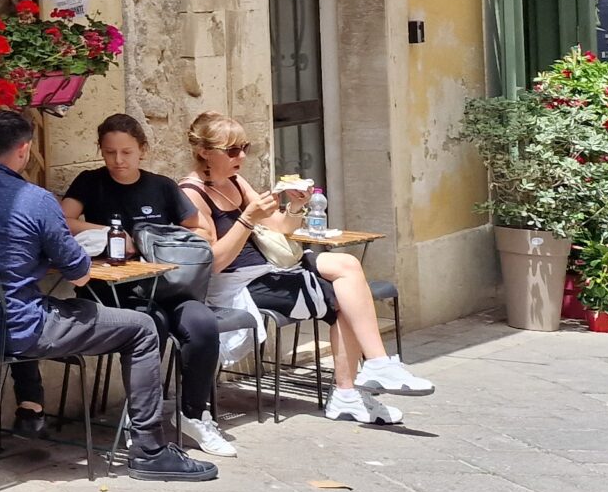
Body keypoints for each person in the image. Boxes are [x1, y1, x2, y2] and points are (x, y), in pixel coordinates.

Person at [0, 110, 217, 482]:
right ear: (25, 149)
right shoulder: (36, 201)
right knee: (143, 327)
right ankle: (149, 450)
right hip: (20, 331)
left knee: (28, 301)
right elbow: (79, 273)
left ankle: (31, 409)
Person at [177, 111, 435, 424]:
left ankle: (370, 372)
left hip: (272, 270)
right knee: (344, 298)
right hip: (238, 285)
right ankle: (352, 388)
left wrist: (296, 205)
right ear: (205, 152)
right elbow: (213, 262)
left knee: (348, 266)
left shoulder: (235, 181)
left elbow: (281, 226)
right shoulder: (191, 193)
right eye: (232, 151)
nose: (241, 156)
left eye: (244, 147)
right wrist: (247, 219)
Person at [58, 113, 233, 458]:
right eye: (110, 152)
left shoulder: (161, 186)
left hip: (166, 284)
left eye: (126, 152)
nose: (118, 160)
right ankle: (140, 420)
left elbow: (198, 229)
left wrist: (160, 242)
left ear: (143, 150)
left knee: (202, 324)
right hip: (114, 290)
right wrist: (114, 234)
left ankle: (194, 414)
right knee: (152, 324)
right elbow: (63, 220)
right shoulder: (90, 182)